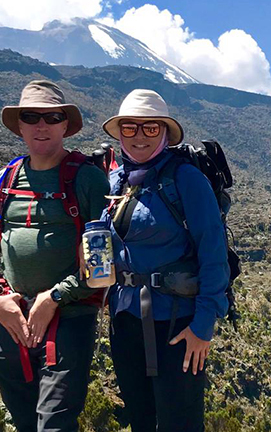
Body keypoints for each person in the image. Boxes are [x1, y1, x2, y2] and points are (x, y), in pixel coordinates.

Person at [0, 80, 110, 432]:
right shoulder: (2, 181)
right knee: (24, 423)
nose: (41, 125)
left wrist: (55, 297)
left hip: (68, 321)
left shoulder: (88, 181)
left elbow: (103, 262)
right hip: (11, 323)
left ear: (66, 124)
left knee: (54, 426)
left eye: (52, 117)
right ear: (19, 125)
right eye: (31, 117)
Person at [102, 89, 230, 432]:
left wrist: (204, 325)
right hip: (125, 321)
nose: (139, 136)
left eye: (150, 128)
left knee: (180, 423)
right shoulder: (115, 180)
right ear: (119, 132)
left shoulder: (186, 180)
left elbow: (213, 253)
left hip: (177, 324)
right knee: (141, 420)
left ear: (164, 132)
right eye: (130, 127)